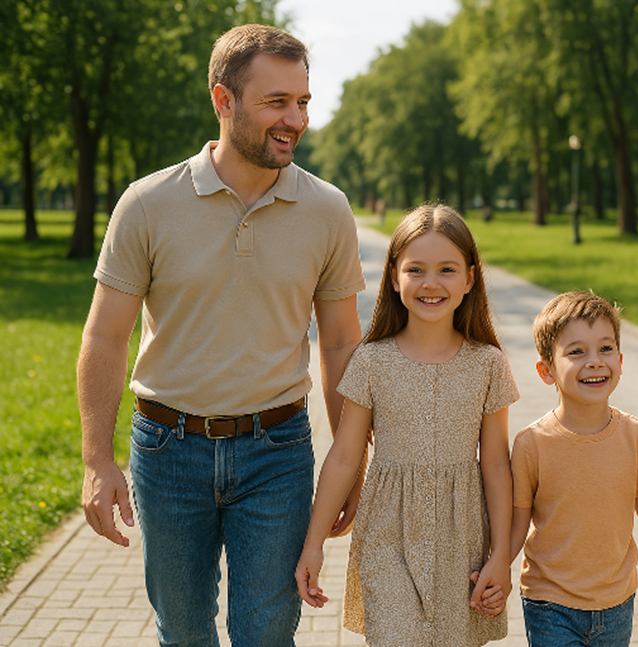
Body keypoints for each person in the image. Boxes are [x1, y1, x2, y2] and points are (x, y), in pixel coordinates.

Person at [77, 24, 366, 646]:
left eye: (304, 102)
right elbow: (105, 336)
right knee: (182, 632)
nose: (296, 119)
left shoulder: (327, 210)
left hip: (277, 451)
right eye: (277, 102)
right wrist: (98, 460)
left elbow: (343, 342)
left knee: (266, 634)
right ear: (223, 100)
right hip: (167, 449)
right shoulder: (147, 203)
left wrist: (350, 458)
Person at [294, 204, 518, 647]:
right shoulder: (372, 361)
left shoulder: (489, 364)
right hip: (386, 537)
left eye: (447, 269)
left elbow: (495, 466)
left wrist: (502, 557)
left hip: (463, 542)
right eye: (416, 269)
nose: (431, 283)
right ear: (394, 278)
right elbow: (344, 455)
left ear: (470, 279)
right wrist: (313, 542)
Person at [495, 290, 638, 647]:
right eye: (577, 352)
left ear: (622, 361)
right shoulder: (531, 443)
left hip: (617, 601)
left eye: (605, 349)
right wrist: (497, 567)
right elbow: (518, 523)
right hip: (550, 601)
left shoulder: (635, 435)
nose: (594, 361)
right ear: (546, 371)